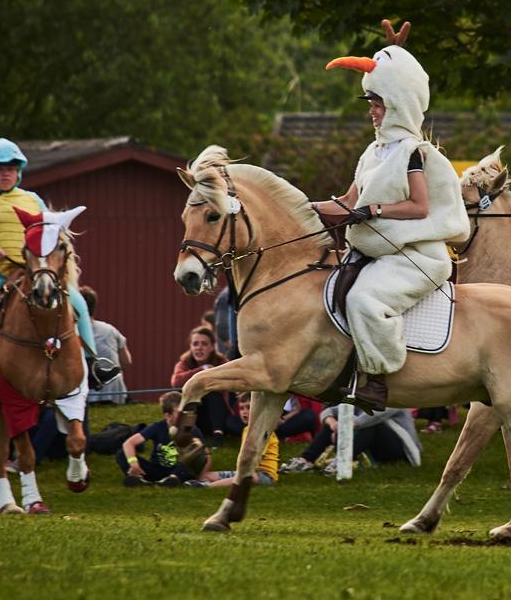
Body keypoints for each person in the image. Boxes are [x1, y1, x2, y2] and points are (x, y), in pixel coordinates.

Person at [311, 35, 469, 411]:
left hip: (418, 257)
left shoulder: (414, 153)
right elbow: (348, 202)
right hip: (377, 254)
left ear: (397, 103)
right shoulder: (373, 151)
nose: (372, 110)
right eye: (371, 103)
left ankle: (378, 381)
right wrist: (300, 208)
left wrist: (377, 210)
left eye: (378, 103)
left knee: (364, 300)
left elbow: (418, 207)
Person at [0, 138, 117, 394]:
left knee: (78, 303)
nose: (6, 173)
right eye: (1, 169)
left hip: (31, 269)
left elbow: (48, 231)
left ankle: (95, 364)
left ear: (19, 171)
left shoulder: (32, 199)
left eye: (12, 169)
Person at [279, 405, 422, 475]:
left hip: (400, 449)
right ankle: (306, 460)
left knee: (372, 425)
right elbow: (328, 411)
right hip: (377, 446)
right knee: (336, 421)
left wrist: (345, 426)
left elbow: (373, 416)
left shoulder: (396, 396)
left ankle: (342, 461)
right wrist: (332, 423)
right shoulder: (364, 395)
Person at [117, 391, 207, 486]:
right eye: (179, 413)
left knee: (194, 458)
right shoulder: (157, 427)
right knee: (121, 453)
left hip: (179, 470)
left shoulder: (191, 429)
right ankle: (139, 478)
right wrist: (133, 463)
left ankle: (172, 479)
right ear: (168, 416)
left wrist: (202, 476)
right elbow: (129, 443)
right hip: (157, 469)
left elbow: (205, 455)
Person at [170, 325, 239, 445]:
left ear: (212, 347)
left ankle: (218, 436)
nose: (199, 348)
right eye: (195, 344)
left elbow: (236, 378)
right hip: (195, 415)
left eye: (204, 344)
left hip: (218, 413)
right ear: (190, 347)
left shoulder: (222, 362)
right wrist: (201, 370)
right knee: (188, 393)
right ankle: (188, 434)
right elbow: (176, 381)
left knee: (212, 391)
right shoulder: (184, 363)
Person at [193, 393, 279, 487]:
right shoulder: (246, 429)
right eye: (241, 408)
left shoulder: (263, 430)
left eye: (249, 407)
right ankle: (202, 481)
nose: (244, 412)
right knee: (207, 475)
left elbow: (255, 458)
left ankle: (208, 486)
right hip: (246, 471)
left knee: (247, 476)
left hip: (264, 476)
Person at [80, 286, 132, 405]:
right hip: (114, 391)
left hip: (85, 394)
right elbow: (126, 362)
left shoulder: (71, 334)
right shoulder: (110, 330)